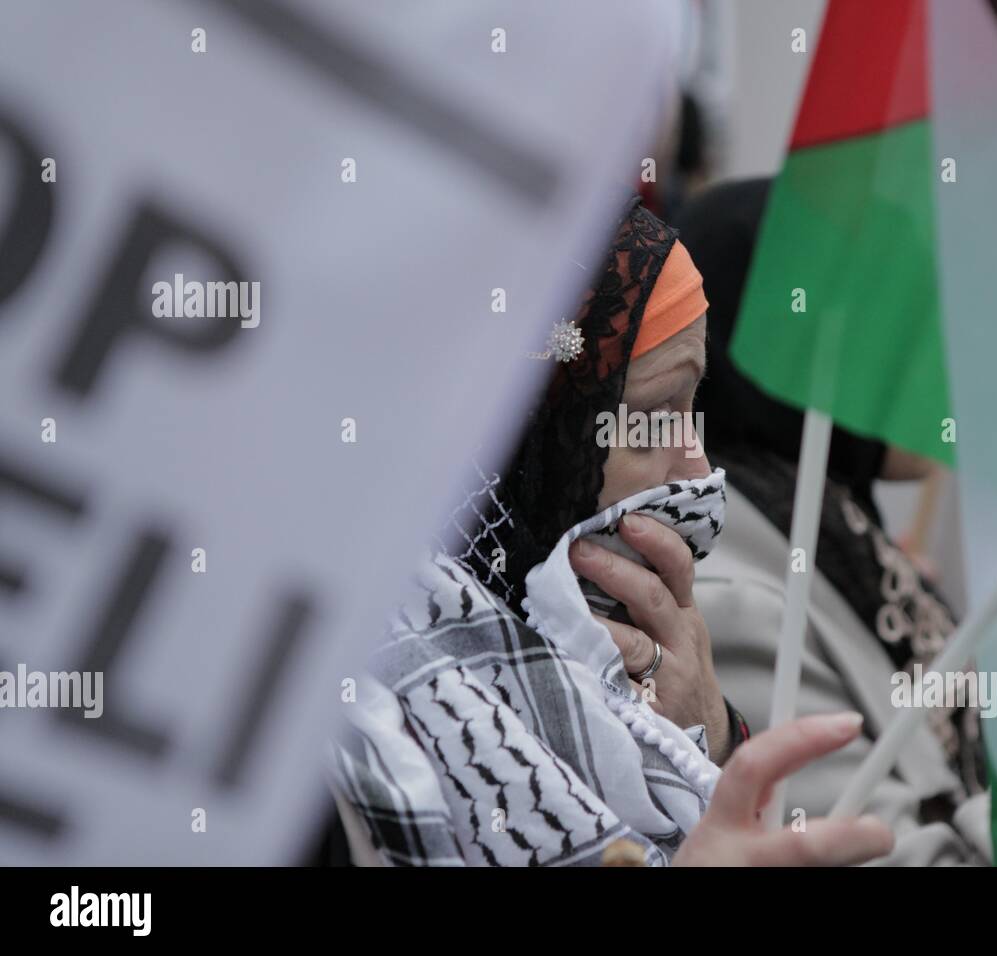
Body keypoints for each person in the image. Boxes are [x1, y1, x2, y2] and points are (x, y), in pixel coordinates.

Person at [326, 197, 893, 866]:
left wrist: (711, 740)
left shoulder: (628, 657)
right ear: (515, 439)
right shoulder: (339, 730)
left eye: (694, 406)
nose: (698, 467)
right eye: (655, 412)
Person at [676, 178, 991, 864]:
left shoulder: (841, 534)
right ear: (791, 356)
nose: (941, 368)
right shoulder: (729, 596)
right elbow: (873, 852)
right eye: (900, 336)